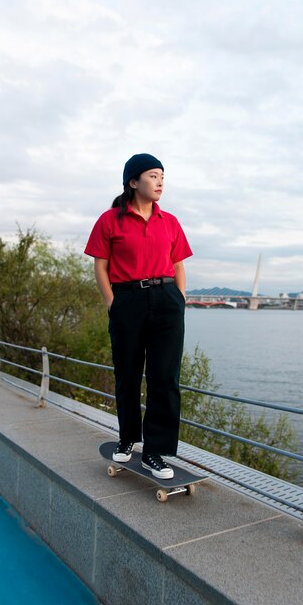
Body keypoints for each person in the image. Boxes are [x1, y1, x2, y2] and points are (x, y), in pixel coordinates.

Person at [84, 153, 192, 479]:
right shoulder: (109, 220)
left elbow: (178, 265)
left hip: (166, 299)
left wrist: (180, 299)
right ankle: (129, 437)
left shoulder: (169, 221)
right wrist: (112, 303)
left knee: (165, 378)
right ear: (133, 182)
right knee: (128, 374)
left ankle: (155, 452)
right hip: (127, 299)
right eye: (153, 175)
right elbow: (100, 265)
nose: (160, 182)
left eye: (162, 176)